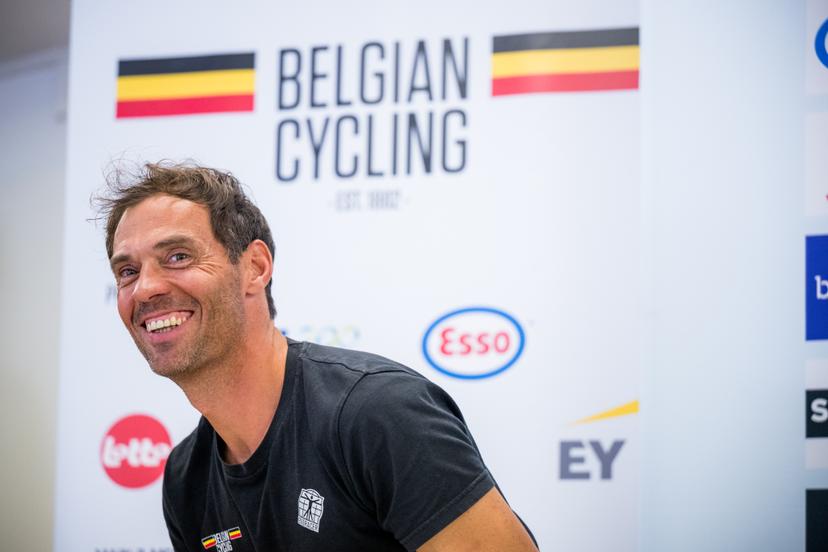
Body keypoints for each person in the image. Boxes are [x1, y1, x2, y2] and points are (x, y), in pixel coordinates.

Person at [98, 162, 538, 551]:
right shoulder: (185, 476)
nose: (145, 289)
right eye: (127, 271)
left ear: (255, 267)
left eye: (177, 256)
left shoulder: (376, 414)